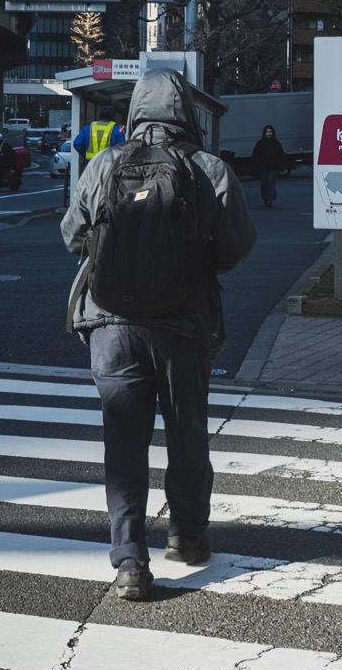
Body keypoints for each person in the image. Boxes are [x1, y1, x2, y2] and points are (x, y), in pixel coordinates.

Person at [62, 69, 257, 602]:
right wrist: (189, 263)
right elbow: (236, 245)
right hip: (182, 324)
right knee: (186, 435)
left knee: (124, 442)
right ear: (186, 112)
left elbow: (73, 235)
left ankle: (129, 559)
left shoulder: (104, 163)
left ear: (135, 110)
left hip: (110, 325)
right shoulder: (208, 168)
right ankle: (187, 537)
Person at [251, 123, 287, 208]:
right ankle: (266, 198)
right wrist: (254, 166)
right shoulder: (260, 143)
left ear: (273, 133)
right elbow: (255, 155)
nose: (268, 133)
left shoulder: (276, 143)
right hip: (262, 168)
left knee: (270, 183)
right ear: (264, 133)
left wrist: (280, 165)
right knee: (264, 184)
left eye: (270, 132)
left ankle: (269, 200)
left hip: (273, 168)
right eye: (267, 132)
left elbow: (281, 155)